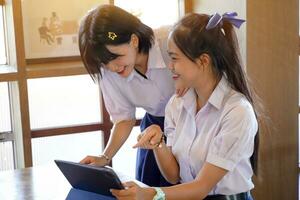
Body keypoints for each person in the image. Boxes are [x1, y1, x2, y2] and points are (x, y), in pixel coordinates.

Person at [111, 12, 260, 200]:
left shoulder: (237, 111)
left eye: (174, 58)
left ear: (203, 61)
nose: (170, 66)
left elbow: (201, 188)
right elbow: (173, 176)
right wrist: (159, 143)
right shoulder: (176, 104)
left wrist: (150, 194)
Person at [78, 4, 187, 187]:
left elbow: (211, 68)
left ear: (134, 41)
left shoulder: (171, 41)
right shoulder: (108, 72)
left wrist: (190, 79)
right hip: (154, 132)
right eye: (104, 63)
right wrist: (105, 157)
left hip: (193, 127)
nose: (113, 67)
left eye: (116, 57)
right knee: (151, 192)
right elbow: (124, 119)